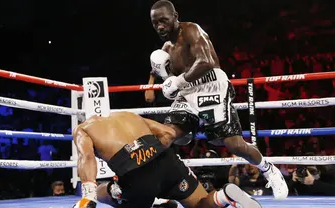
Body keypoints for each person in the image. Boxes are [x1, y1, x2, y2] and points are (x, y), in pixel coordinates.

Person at [148, 0, 288, 199]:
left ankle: (268, 170)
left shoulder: (191, 31)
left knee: (234, 145)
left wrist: (177, 81)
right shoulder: (165, 50)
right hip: (188, 92)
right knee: (168, 135)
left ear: (175, 16)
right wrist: (167, 83)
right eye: (155, 23)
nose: (160, 26)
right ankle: (160, 186)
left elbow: (207, 62)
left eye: (164, 20)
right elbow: (164, 75)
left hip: (212, 86)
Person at [72, 112, 262, 208]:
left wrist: (88, 194)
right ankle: (225, 196)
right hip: (166, 160)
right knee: (201, 204)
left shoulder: (83, 129)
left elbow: (86, 157)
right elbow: (168, 133)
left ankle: (105, 194)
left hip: (136, 174)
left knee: (113, 192)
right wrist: (152, 155)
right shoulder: (128, 115)